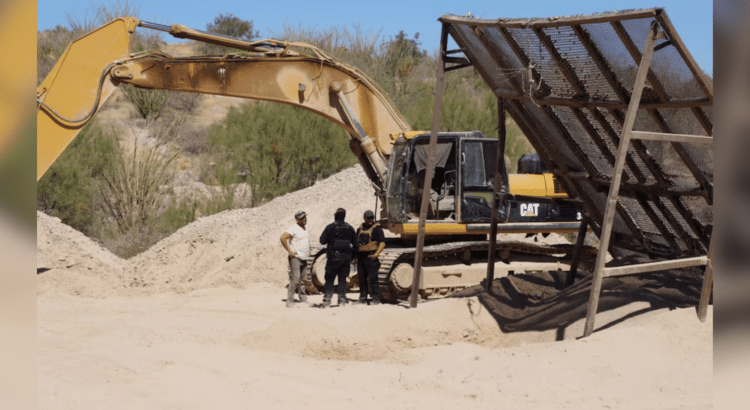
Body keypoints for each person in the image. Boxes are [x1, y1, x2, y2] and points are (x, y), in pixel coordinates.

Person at [319, 208, 357, 308]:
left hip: (333, 258)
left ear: (335, 216)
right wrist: (352, 257)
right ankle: (342, 301)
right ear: (344, 216)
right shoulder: (350, 228)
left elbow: (322, 241)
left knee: (329, 280)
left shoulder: (330, 227)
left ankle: (327, 301)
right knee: (342, 280)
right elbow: (356, 245)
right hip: (345, 259)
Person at [279, 210, 310, 308]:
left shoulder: (305, 228)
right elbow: (283, 238)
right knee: (295, 279)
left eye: (305, 217)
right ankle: (290, 300)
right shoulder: (293, 228)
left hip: (304, 258)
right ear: (297, 219)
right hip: (295, 258)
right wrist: (289, 251)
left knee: (303, 280)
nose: (304, 219)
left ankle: (303, 298)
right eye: (302, 218)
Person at [355, 210, 386, 305]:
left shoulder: (377, 229)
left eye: (371, 218)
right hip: (361, 257)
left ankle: (376, 298)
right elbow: (356, 243)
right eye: (368, 218)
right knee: (362, 278)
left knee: (373, 279)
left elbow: (382, 243)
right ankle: (363, 297)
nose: (370, 220)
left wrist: (376, 255)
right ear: (364, 218)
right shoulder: (360, 229)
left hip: (371, 256)